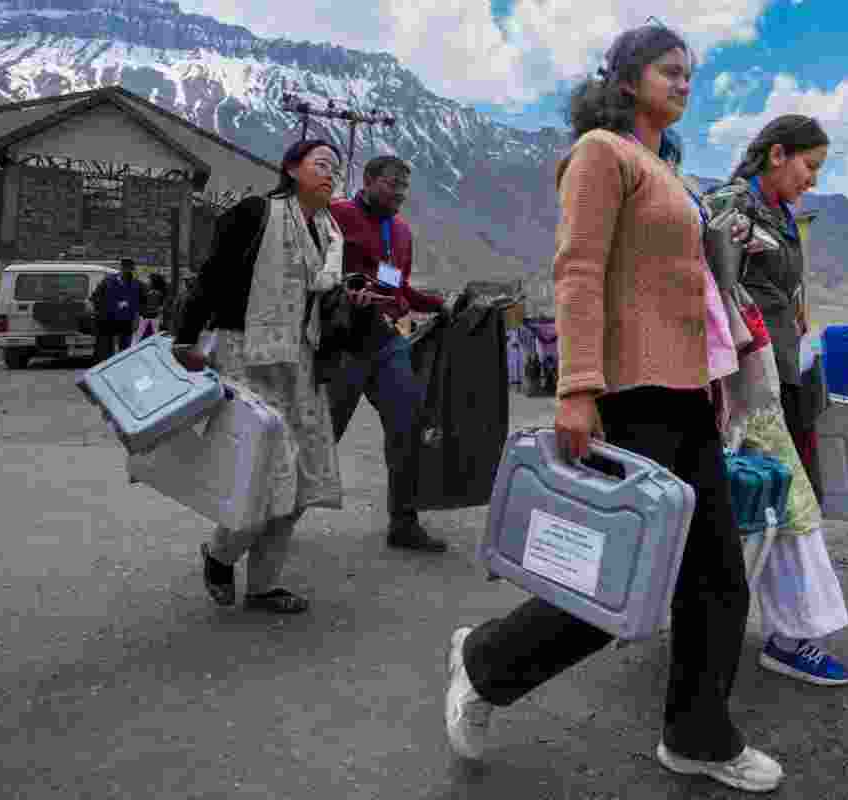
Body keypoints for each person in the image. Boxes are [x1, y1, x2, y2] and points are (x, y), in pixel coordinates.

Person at [444, 24, 784, 792]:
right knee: (618, 583)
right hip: (632, 394)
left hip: (689, 393)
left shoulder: (671, 173)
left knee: (717, 578)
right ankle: (483, 662)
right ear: (626, 80)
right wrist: (576, 389)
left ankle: (697, 735)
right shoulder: (602, 154)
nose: (685, 83)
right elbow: (578, 271)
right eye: (669, 70)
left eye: (690, 74)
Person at [705, 114, 848, 690]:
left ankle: (763, 626)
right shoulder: (732, 205)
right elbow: (716, 298)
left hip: (783, 370)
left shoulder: (783, 218)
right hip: (746, 381)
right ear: (776, 154)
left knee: (769, 501)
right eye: (809, 166)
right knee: (783, 503)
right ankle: (792, 636)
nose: (812, 180)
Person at [173, 139, 345, 614]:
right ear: (291, 168)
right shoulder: (254, 214)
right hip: (246, 355)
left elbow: (322, 304)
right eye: (321, 164)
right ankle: (221, 554)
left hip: (302, 364)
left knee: (303, 478)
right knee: (261, 470)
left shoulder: (331, 234)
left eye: (337, 169)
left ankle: (265, 584)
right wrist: (184, 338)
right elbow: (211, 277)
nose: (331, 174)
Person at [326, 155, 457, 553]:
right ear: (368, 180)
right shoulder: (336, 214)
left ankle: (404, 521)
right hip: (343, 341)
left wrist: (439, 303)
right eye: (392, 183)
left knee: (408, 426)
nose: (400, 193)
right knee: (321, 433)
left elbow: (398, 290)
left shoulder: (400, 232)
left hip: (386, 342)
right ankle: (269, 514)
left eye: (404, 186)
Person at [90, 258, 146, 361]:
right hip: (108, 319)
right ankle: (107, 365)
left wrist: (137, 314)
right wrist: (107, 308)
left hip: (127, 320)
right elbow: (95, 298)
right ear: (121, 268)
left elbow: (143, 302)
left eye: (130, 268)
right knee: (107, 348)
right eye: (125, 268)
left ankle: (122, 365)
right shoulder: (107, 282)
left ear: (132, 269)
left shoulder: (137, 284)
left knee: (125, 348)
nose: (127, 271)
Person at [133, 273, 170, 344]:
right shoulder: (162, 293)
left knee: (143, 342)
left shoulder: (153, 293)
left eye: (149, 280)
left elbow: (147, 308)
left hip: (149, 321)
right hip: (154, 321)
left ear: (153, 282)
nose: (147, 282)